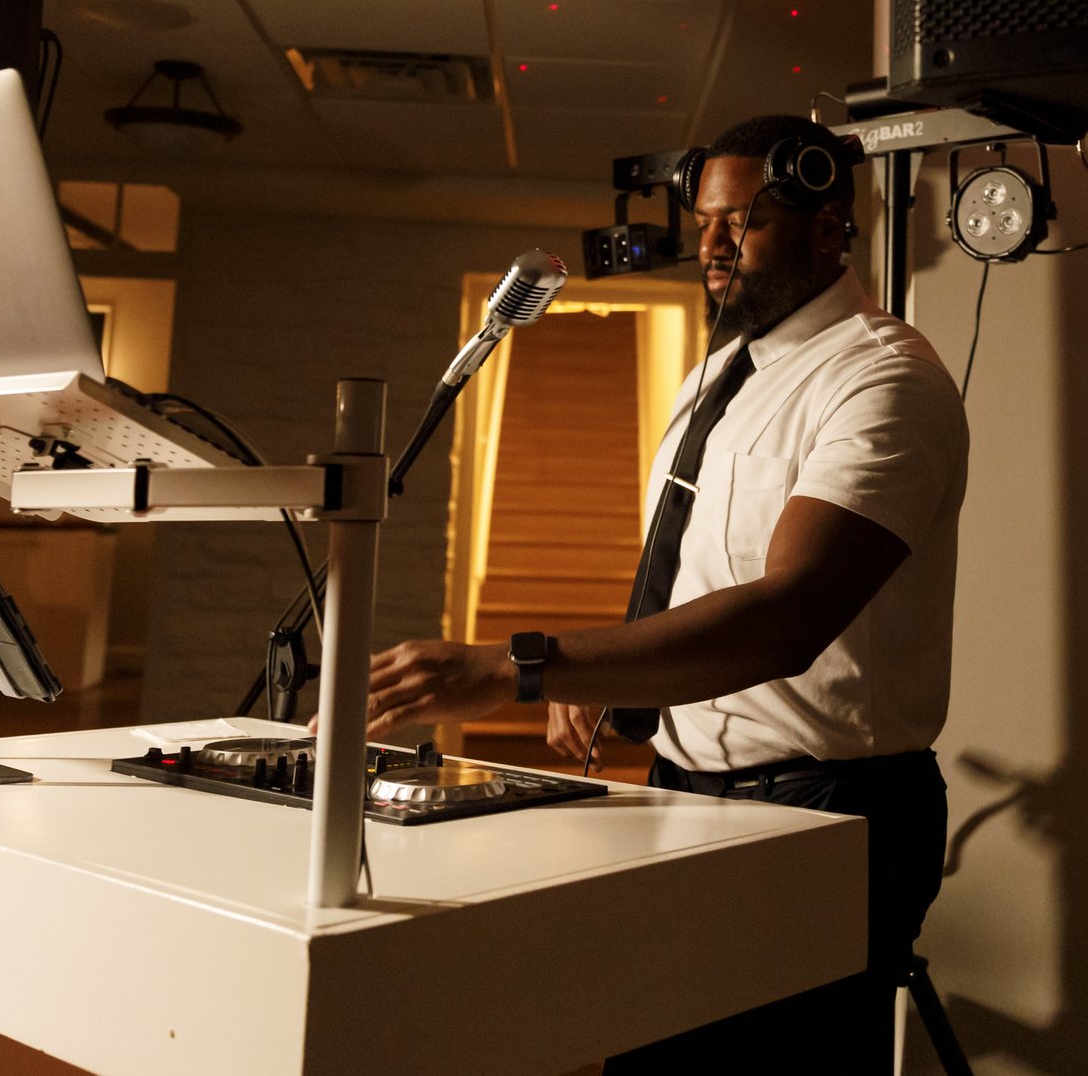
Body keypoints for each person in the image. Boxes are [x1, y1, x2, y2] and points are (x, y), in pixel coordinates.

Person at [361, 114, 970, 1073]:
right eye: (704, 223)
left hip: (829, 808)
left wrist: (519, 665)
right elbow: (693, 568)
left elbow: (787, 616)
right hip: (689, 789)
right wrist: (610, 673)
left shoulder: (883, 378)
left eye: (743, 222)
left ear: (827, 227)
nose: (712, 246)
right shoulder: (716, 374)